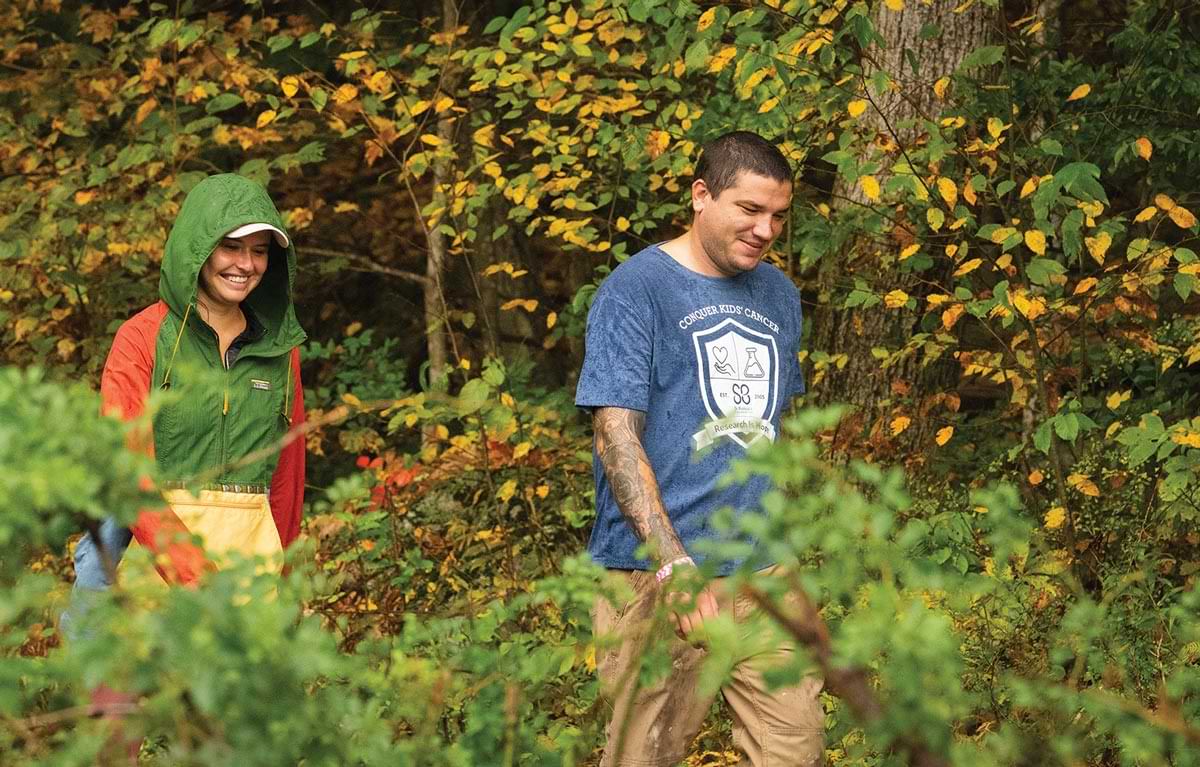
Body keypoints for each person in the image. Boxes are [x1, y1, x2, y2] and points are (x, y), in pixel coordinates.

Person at [576, 132, 823, 766]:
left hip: (761, 572)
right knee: (644, 755)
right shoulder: (636, 291)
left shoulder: (779, 296)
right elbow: (617, 437)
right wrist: (672, 566)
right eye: (749, 209)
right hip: (652, 575)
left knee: (794, 750)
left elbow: (770, 427)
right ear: (701, 196)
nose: (766, 229)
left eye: (778, 216)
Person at [67, 172, 307, 609]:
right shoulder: (142, 338)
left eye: (259, 251)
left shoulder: (280, 351)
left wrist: (284, 583)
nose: (246, 265)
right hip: (155, 564)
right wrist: (194, 575)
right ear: (199, 248)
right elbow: (129, 473)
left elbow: (287, 478)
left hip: (250, 573)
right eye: (230, 247)